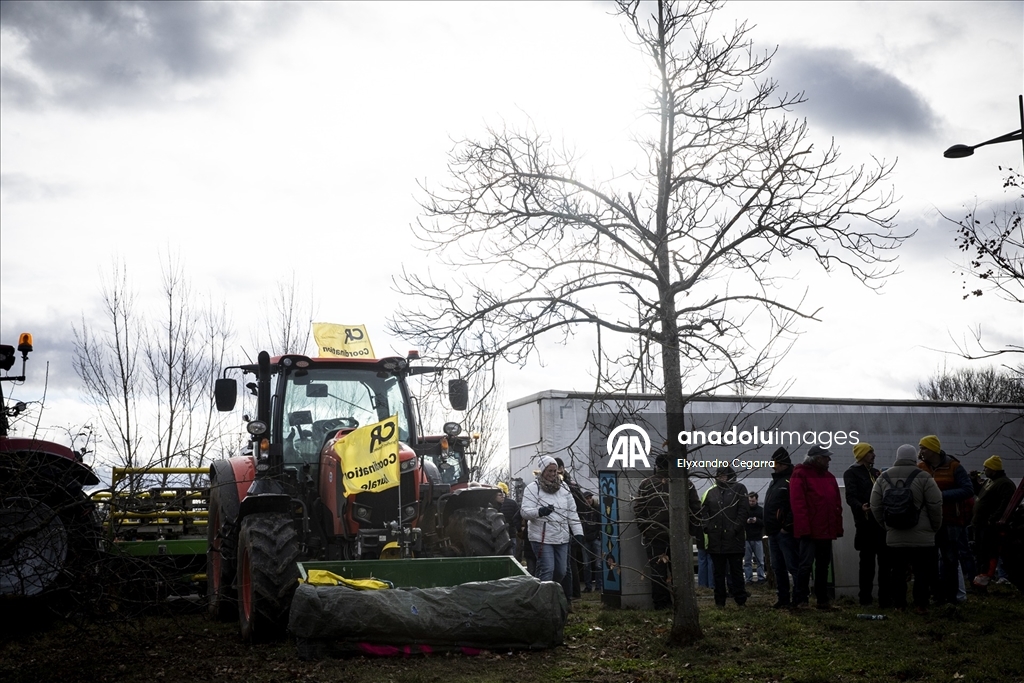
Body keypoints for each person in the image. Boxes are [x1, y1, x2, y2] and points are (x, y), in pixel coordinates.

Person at [871, 444, 943, 614]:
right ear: (914, 458)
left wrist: (886, 526)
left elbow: (875, 505)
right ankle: (921, 604)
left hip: (895, 535)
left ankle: (899, 605)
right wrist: (934, 527)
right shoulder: (924, 477)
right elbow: (935, 504)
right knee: (922, 571)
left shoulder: (883, 477)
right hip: (922, 537)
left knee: (897, 572)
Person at [633, 453, 701, 609]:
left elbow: (639, 510)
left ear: (657, 466)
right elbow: (695, 510)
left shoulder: (646, 484)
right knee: (680, 573)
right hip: (679, 536)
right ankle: (683, 605)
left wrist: (646, 530)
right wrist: (689, 531)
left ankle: (661, 605)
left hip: (654, 535)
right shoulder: (685, 483)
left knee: (658, 573)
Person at [917, 435, 974, 605]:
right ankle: (937, 595)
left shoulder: (954, 467)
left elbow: (968, 489)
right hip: (929, 521)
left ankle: (951, 597)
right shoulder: (920, 468)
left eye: (924, 448)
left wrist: (940, 496)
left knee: (950, 559)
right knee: (931, 560)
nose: (921, 451)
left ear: (934, 449)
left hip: (951, 520)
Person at [790, 445, 844, 610]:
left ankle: (822, 600)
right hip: (811, 531)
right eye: (825, 457)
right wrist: (804, 528)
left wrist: (836, 527)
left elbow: (836, 504)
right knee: (806, 565)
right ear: (816, 458)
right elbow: (798, 504)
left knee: (822, 566)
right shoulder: (800, 474)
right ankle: (801, 600)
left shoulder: (829, 477)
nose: (829, 460)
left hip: (824, 530)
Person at [842, 442, 893, 607]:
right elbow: (850, 495)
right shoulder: (851, 473)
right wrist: (860, 506)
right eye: (870, 452)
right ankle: (865, 598)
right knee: (867, 563)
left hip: (880, 523)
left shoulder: (876, 472)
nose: (874, 455)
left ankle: (885, 597)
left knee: (885, 563)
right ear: (862, 455)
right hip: (865, 524)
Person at [521, 455, 584, 586]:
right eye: (550, 471)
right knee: (547, 569)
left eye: (555, 471)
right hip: (541, 537)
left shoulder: (564, 488)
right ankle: (543, 601)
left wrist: (578, 533)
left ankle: (552, 594)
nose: (553, 474)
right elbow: (524, 512)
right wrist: (539, 511)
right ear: (543, 471)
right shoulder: (532, 489)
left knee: (561, 571)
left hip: (562, 537)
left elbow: (572, 513)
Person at [700, 465, 749, 607]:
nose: (721, 478)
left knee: (736, 572)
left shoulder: (739, 489)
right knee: (718, 573)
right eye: (719, 475)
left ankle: (740, 599)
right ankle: (720, 601)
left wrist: (735, 529)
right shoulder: (712, 492)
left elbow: (743, 511)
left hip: (734, 539)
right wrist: (707, 527)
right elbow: (704, 512)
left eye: (724, 475)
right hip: (717, 540)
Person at [971, 455, 1016, 587]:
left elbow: (1006, 504)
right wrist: (974, 481)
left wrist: (993, 519)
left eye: (986, 468)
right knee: (979, 552)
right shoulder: (990, 481)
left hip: (989, 526)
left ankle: (983, 581)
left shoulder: (1004, 484)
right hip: (980, 524)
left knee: (987, 554)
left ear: (994, 469)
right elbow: (981, 493)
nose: (984, 470)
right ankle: (978, 580)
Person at [764, 447, 798, 608]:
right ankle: (783, 598)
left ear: (783, 464)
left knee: (792, 565)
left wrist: (787, 526)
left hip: (785, 533)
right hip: (773, 532)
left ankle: (798, 598)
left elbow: (795, 506)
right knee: (778, 567)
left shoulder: (790, 480)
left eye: (775, 463)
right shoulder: (774, 482)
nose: (773, 466)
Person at [580, 491, 603, 592]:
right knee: (586, 565)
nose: (588, 500)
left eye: (589, 498)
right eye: (586, 498)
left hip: (595, 538)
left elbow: (600, 524)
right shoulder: (582, 511)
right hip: (586, 539)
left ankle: (598, 585)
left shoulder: (597, 509)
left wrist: (598, 535)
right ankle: (588, 586)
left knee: (598, 564)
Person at [743, 492, 766, 583]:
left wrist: (757, 521)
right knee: (747, 561)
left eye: (753, 501)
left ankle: (761, 577)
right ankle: (748, 578)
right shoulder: (745, 510)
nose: (751, 503)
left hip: (757, 538)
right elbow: (740, 522)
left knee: (760, 560)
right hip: (747, 538)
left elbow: (764, 523)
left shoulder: (761, 510)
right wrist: (746, 521)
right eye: (750, 501)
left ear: (756, 500)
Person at [496, 482, 522, 558]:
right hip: (512, 533)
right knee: (512, 555)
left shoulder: (495, 505)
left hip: (499, 534)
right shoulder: (513, 503)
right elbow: (518, 517)